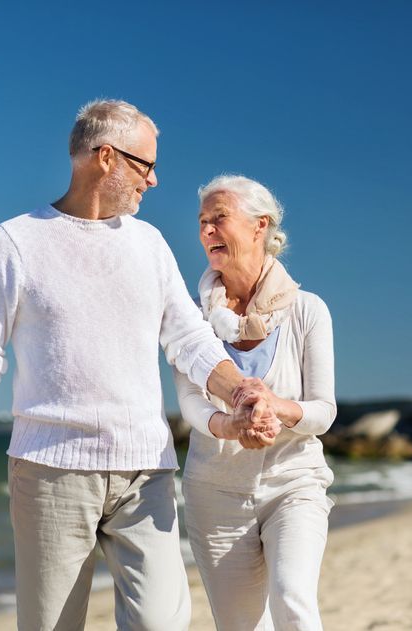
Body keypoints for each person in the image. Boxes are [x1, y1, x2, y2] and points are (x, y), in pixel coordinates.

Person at [0, 100, 282, 631]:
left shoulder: (150, 244)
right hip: (50, 471)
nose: (154, 180)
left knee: (162, 624)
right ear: (106, 157)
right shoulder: (15, 242)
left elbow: (189, 338)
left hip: (146, 471)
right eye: (146, 165)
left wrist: (240, 391)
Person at [174, 174, 337, 631]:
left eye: (219, 218)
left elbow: (323, 411)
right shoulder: (192, 317)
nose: (207, 230)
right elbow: (190, 403)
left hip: (294, 482)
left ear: (259, 225)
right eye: (202, 222)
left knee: (292, 599)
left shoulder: (307, 310)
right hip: (215, 492)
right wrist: (230, 426)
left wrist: (273, 405)